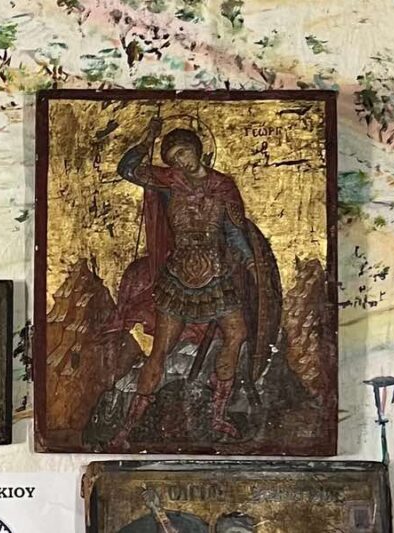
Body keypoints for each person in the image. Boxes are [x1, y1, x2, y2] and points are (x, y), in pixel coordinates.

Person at [108, 117, 270, 449]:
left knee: (237, 334)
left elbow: (234, 232)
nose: (180, 162)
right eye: (173, 159)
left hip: (216, 274)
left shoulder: (223, 186)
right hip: (180, 275)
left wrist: (252, 265)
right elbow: (127, 168)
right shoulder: (169, 181)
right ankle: (128, 427)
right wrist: (148, 137)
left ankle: (217, 415)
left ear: (196, 148)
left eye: (182, 153)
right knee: (160, 351)